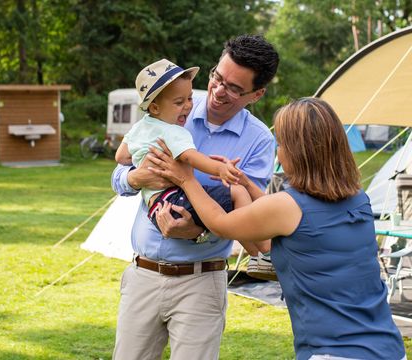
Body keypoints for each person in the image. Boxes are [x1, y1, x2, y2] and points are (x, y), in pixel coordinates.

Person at [148, 97, 406, 360]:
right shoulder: (357, 198)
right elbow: (291, 222)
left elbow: (221, 225)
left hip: (336, 352)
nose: (278, 153)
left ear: (299, 151)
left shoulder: (288, 207)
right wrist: (246, 184)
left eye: (281, 144)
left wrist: (185, 178)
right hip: (387, 348)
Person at [111, 34, 279, 360]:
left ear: (256, 94)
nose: (218, 90)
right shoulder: (172, 105)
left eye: (234, 88)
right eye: (217, 77)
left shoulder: (258, 141)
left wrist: (199, 232)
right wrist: (136, 177)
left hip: (201, 282)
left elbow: (248, 217)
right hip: (143, 275)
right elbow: (119, 173)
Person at [115, 58, 254, 235]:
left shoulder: (139, 127)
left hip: (156, 208)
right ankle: (259, 251)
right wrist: (220, 169)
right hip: (174, 200)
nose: (188, 105)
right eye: (179, 102)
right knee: (238, 193)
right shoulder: (173, 131)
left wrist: (143, 157)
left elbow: (121, 157)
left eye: (189, 98)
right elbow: (190, 157)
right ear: (156, 108)